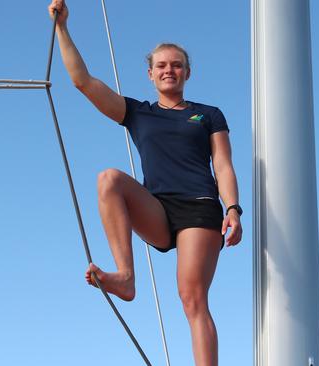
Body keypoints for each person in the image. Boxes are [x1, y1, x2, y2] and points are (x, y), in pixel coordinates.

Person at [48, 1, 242, 365]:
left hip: (199, 208)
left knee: (192, 298)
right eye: (162, 65)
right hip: (157, 208)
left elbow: (224, 165)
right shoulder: (138, 113)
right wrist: (62, 28)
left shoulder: (209, 115)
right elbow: (82, 82)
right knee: (109, 179)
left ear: (187, 73)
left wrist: (232, 208)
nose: (169, 70)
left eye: (177, 65)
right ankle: (125, 277)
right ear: (151, 74)